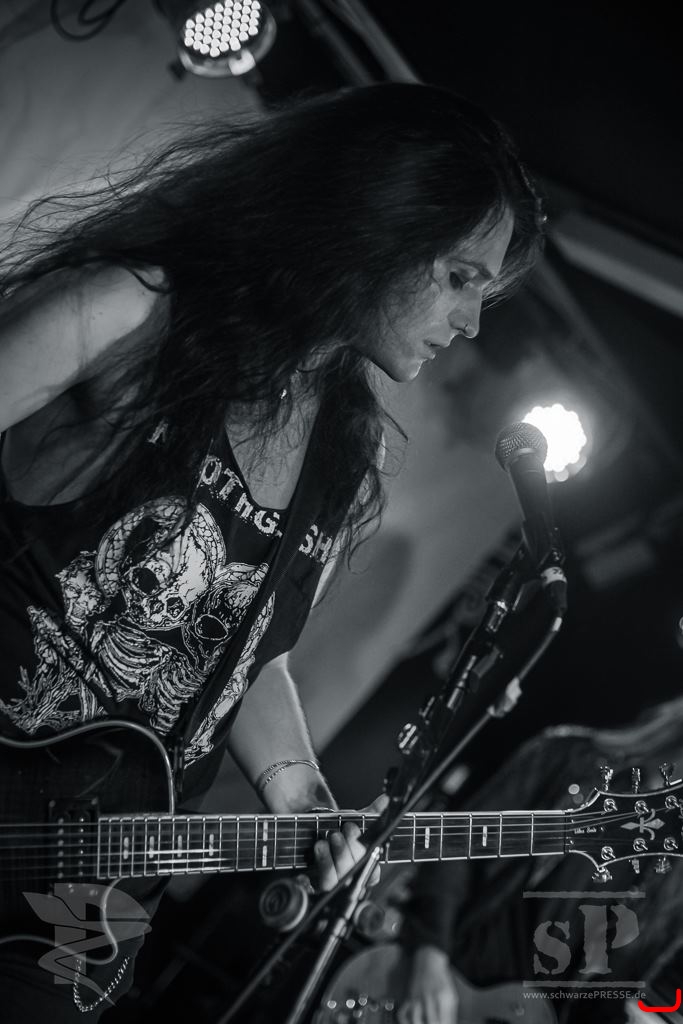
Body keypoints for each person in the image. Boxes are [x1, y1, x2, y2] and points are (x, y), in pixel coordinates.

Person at [0, 81, 544, 1019]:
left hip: (91, 895)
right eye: (460, 277)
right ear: (375, 224)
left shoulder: (343, 451)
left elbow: (250, 652)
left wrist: (301, 802)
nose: (471, 323)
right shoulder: (135, 312)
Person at [397, 699, 683, 1024]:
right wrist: (429, 957)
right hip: (447, 981)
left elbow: (611, 993)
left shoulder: (675, 875)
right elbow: (456, 846)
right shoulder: (570, 758)